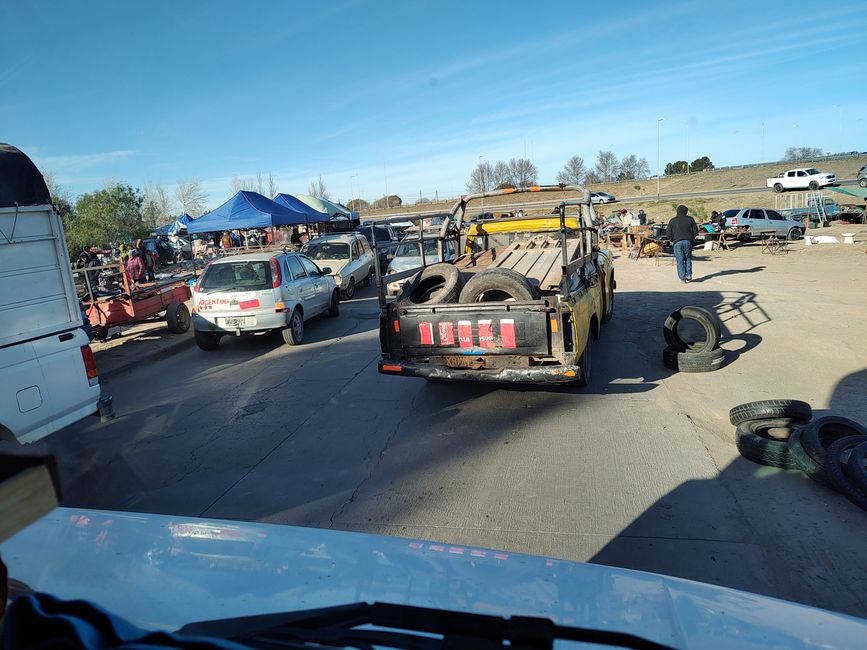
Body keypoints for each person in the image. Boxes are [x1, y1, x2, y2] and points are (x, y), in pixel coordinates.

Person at [668, 204, 699, 283]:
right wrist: (692, 238)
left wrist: (672, 240)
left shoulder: (672, 221)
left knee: (680, 260)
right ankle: (689, 275)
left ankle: (682, 278)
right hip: (688, 241)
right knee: (688, 259)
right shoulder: (690, 219)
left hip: (677, 242)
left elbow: (668, 233)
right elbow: (695, 231)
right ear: (686, 211)